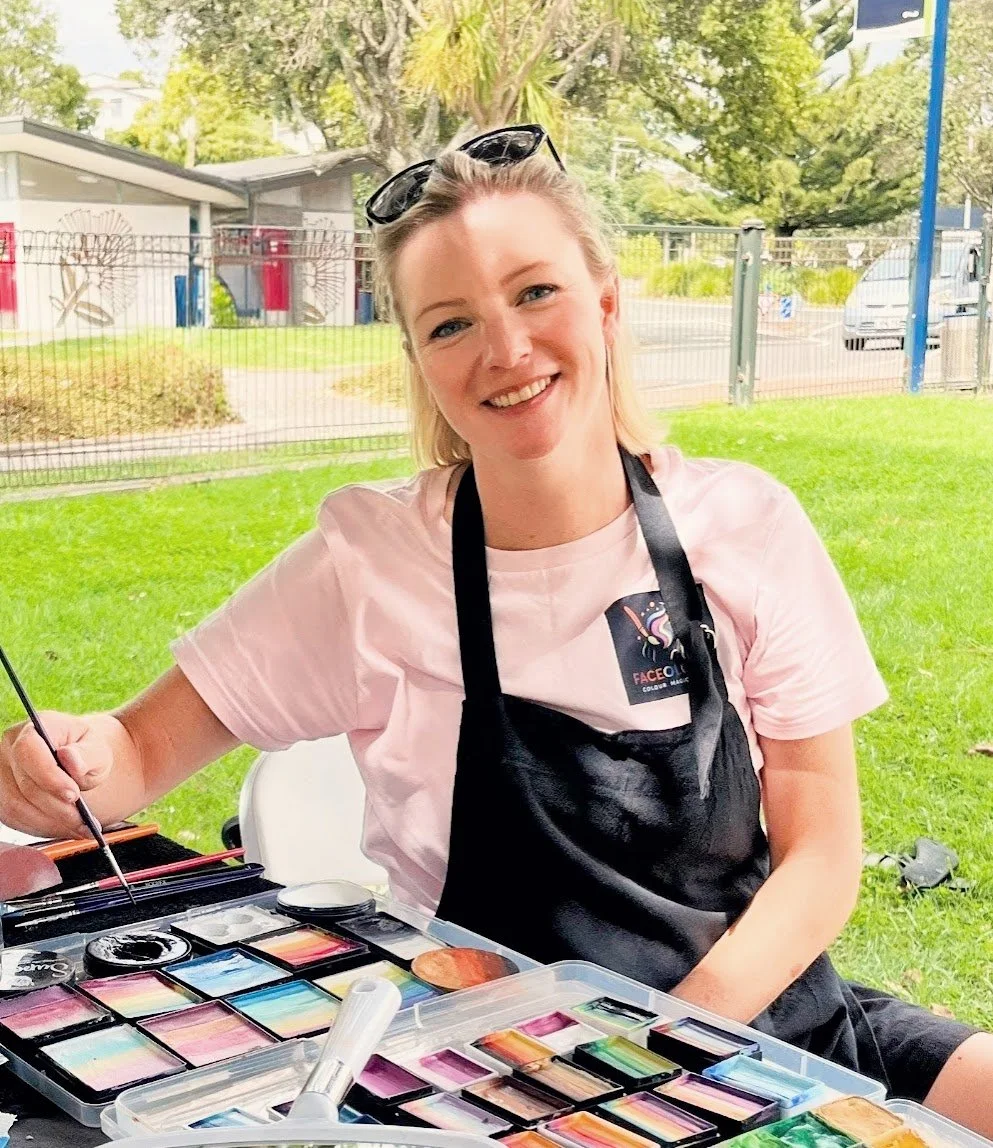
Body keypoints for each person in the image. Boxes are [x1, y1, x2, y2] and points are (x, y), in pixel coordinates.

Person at [2, 125, 991, 1130]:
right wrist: (67, 759)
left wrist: (666, 1042)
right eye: (450, 324)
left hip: (765, 1026)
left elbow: (822, 852)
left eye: (535, 292)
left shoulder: (745, 524)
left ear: (605, 302)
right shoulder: (368, 562)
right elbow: (136, 753)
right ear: (420, 362)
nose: (506, 350)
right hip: (498, 1077)